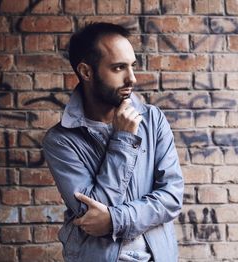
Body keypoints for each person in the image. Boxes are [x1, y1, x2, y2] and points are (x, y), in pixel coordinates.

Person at [43, 22, 184, 262]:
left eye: (132, 66)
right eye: (119, 68)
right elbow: (91, 215)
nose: (132, 78)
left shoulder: (152, 120)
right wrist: (124, 140)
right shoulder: (61, 140)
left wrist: (115, 220)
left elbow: (171, 196)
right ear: (86, 72)